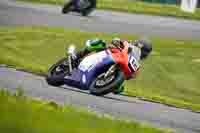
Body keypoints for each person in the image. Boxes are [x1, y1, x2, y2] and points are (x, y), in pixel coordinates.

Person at [72, 38, 152, 94]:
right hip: (109, 54)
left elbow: (128, 77)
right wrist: (117, 42)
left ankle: (103, 82)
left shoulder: (135, 64)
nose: (143, 54)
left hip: (115, 69)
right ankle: (77, 56)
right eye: (143, 51)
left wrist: (118, 83)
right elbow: (116, 40)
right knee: (99, 43)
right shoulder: (128, 44)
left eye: (145, 53)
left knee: (119, 89)